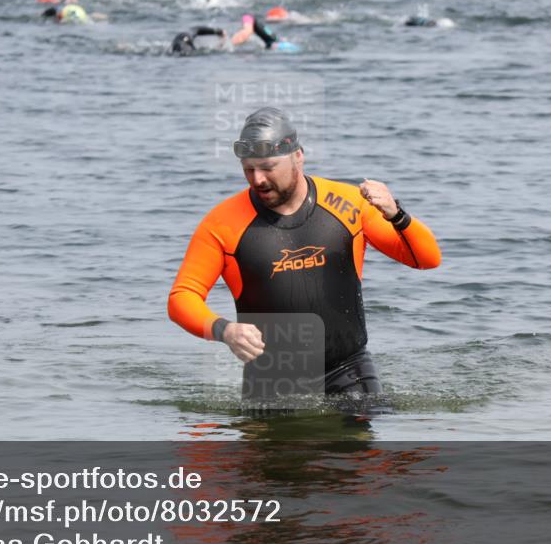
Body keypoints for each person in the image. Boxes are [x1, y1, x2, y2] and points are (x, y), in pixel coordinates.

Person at [167, 108, 441, 398]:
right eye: (249, 169)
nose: (257, 179)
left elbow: (426, 259)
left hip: (348, 369)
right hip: (271, 378)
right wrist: (225, 330)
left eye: (268, 167)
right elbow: (182, 297)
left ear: (298, 156)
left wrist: (397, 215)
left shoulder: (348, 205)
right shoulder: (223, 224)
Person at [231, 14, 300, 52]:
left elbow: (247, 32)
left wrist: (230, 44)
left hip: (278, 47)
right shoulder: (264, 27)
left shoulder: (247, 17)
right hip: (285, 45)